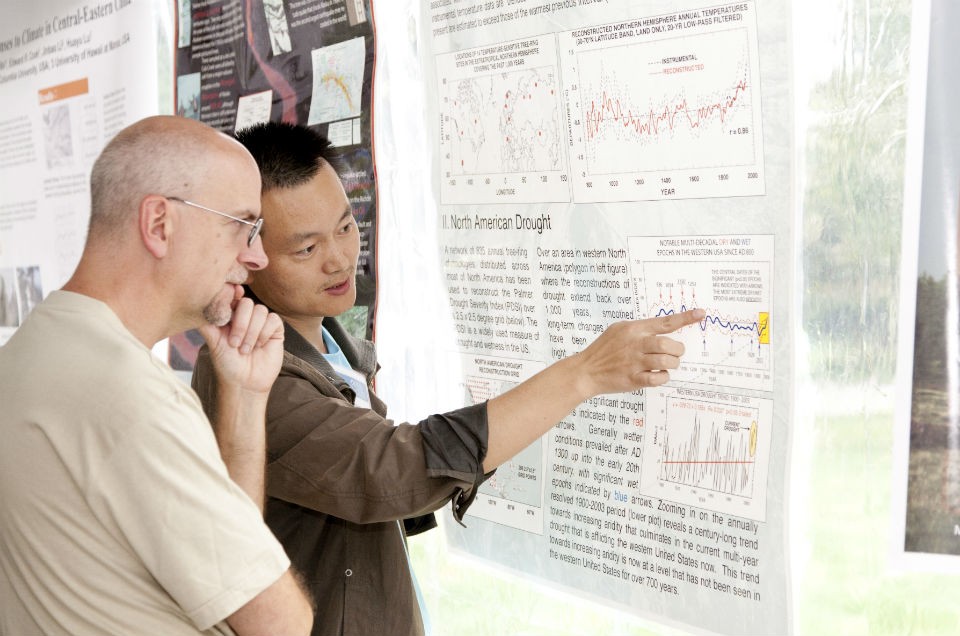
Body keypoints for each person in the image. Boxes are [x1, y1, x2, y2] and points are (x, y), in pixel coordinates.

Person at [191, 121, 704, 636]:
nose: (340, 258)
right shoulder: (251, 378)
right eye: (306, 250)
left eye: (346, 227)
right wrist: (585, 373)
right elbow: (393, 469)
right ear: (248, 256)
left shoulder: (327, 342)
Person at [0, 116, 313, 636]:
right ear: (159, 225)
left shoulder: (33, 349)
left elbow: (226, 576)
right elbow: (280, 625)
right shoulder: (132, 398)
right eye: (243, 225)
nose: (255, 257)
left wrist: (245, 395)